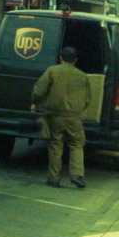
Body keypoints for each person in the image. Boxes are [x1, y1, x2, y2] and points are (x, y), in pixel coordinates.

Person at [31, 45, 91, 189]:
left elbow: (39, 90)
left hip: (55, 117)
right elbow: (88, 99)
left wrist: (35, 103)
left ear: (60, 58)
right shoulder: (83, 76)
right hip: (74, 118)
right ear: (75, 60)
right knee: (76, 145)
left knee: (55, 145)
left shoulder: (52, 71)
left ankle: (54, 179)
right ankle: (77, 175)